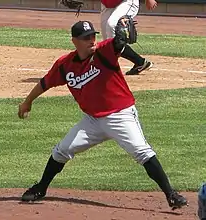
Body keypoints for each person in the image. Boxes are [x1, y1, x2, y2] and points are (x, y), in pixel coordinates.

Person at [18, 20, 187, 210]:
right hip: (92, 121)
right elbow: (45, 83)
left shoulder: (103, 51)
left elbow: (116, 44)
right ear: (74, 41)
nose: (91, 40)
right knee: (62, 150)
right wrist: (28, 101)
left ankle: (171, 195)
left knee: (142, 152)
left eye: (93, 36)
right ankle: (41, 188)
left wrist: (121, 37)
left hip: (120, 116)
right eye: (85, 38)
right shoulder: (65, 65)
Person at [101, 0, 157, 75]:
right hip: (107, 3)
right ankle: (140, 62)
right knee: (108, 40)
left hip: (126, 1)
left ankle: (110, 69)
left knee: (112, 26)